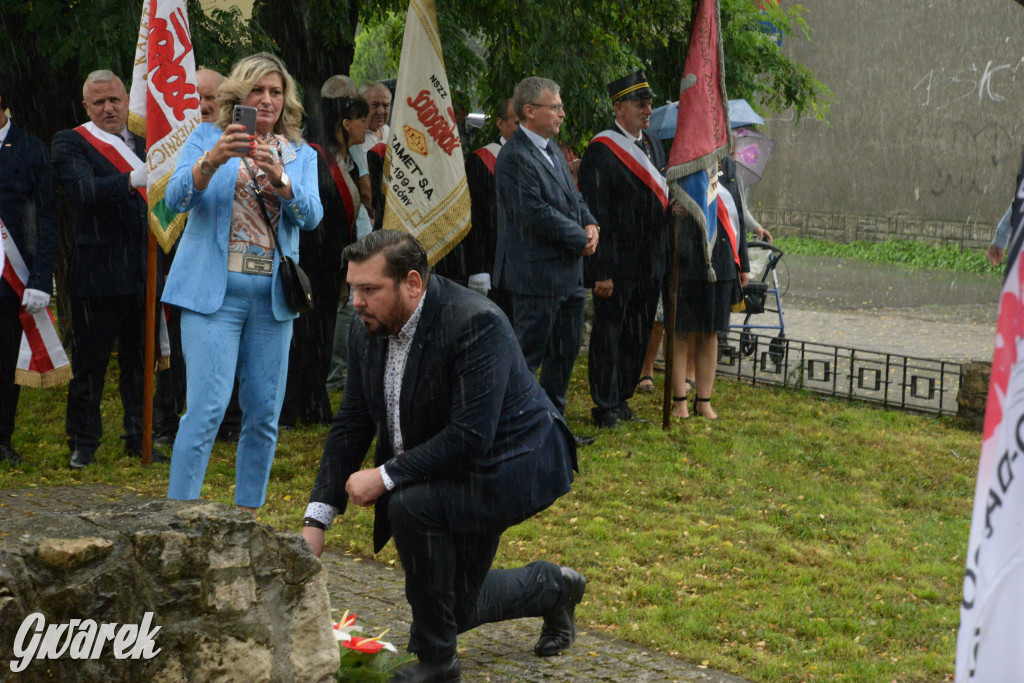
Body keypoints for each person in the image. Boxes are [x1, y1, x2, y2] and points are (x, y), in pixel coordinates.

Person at [303, 230, 585, 682]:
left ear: (412, 283)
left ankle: (438, 664)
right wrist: (316, 520)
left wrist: (385, 474)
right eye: (352, 288)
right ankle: (555, 587)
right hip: (450, 460)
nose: (356, 302)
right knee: (454, 606)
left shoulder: (474, 323)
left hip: (513, 461)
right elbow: (352, 422)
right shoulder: (367, 328)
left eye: (369, 289)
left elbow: (472, 436)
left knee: (410, 504)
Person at [162, 53, 323, 513]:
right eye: (258, 90)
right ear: (240, 96)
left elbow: (313, 217)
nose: (267, 100)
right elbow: (173, 200)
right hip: (212, 298)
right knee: (207, 410)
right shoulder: (207, 137)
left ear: (286, 99)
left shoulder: (301, 153)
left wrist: (282, 180)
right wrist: (212, 161)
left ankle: (247, 517)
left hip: (273, 303)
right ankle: (180, 518)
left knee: (264, 416)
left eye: (275, 92)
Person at [51, 70, 168, 469]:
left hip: (142, 271)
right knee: (90, 366)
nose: (108, 108)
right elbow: (83, 194)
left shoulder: (150, 142)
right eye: (98, 102)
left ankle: (139, 436)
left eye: (115, 100)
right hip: (97, 274)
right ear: (86, 107)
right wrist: (133, 177)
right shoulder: (70, 142)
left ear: (127, 99)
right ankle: (83, 442)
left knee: (140, 362)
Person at [493, 77, 599, 444]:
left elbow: (572, 197)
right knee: (526, 359)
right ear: (529, 111)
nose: (561, 114)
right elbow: (533, 213)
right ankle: (513, 429)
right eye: (555, 107)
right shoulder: (514, 156)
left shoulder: (552, 150)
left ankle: (554, 430)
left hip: (568, 275)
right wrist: (578, 238)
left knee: (563, 356)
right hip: (536, 278)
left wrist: (590, 222)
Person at [153, 67, 241, 447]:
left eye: (213, 99)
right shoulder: (163, 141)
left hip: (218, 261)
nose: (203, 106)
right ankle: (165, 422)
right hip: (165, 251)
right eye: (195, 99)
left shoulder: (234, 143)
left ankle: (225, 420)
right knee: (168, 342)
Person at [579, 71, 671, 429]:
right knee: (609, 334)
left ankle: (622, 398)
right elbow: (594, 212)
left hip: (650, 260)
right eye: (640, 103)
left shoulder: (653, 144)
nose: (647, 109)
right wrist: (599, 270)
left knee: (637, 331)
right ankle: (604, 403)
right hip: (616, 261)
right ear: (618, 108)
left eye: (649, 103)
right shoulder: (601, 149)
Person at [281, 88, 368, 426]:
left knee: (322, 336)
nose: (367, 125)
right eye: (360, 119)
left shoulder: (346, 159)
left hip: (332, 263)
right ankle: (299, 406)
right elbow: (317, 215)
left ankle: (313, 403)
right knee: (307, 337)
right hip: (314, 262)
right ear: (344, 124)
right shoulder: (317, 158)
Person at [0, 68, 58, 466]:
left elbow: (48, 218)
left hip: (10, 277)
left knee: (4, 360)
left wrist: (39, 278)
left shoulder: (31, 148)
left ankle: (1, 439)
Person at [671, 153, 750, 419]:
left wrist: (744, 265)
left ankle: (703, 400)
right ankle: (679, 400)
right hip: (688, 258)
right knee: (681, 330)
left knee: (711, 332)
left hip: (723, 259)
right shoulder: (683, 157)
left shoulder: (727, 165)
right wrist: (672, 208)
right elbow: (661, 198)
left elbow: (735, 210)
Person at [360, 80, 392, 146]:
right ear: (362, 106)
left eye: (386, 106)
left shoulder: (388, 131)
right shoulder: (357, 138)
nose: (381, 111)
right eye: (375, 105)